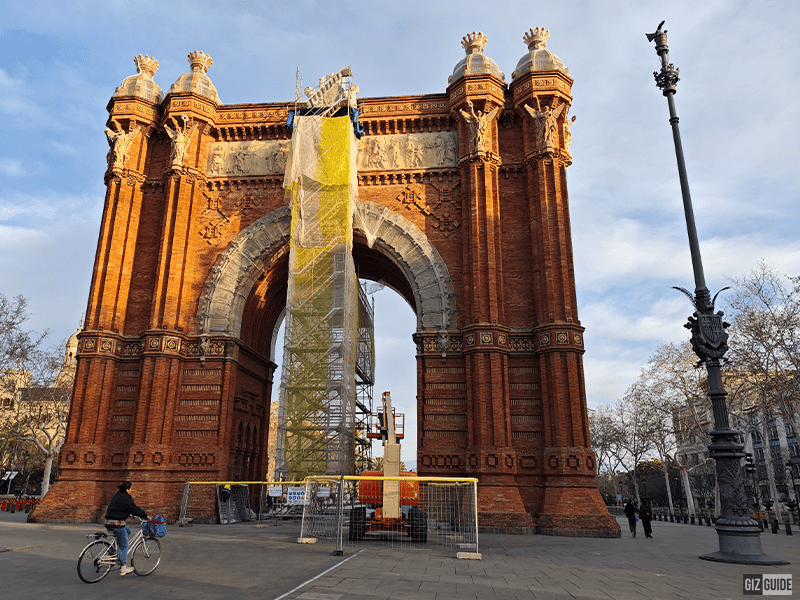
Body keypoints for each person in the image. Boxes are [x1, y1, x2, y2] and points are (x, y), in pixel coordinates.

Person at [105, 481, 148, 576]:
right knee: (124, 545)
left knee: (128, 530)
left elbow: (119, 508)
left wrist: (128, 514)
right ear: (128, 489)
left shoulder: (116, 495)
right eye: (131, 489)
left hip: (108, 522)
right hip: (118, 524)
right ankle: (123, 567)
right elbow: (134, 508)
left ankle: (117, 548)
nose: (131, 491)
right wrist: (145, 516)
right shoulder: (126, 497)